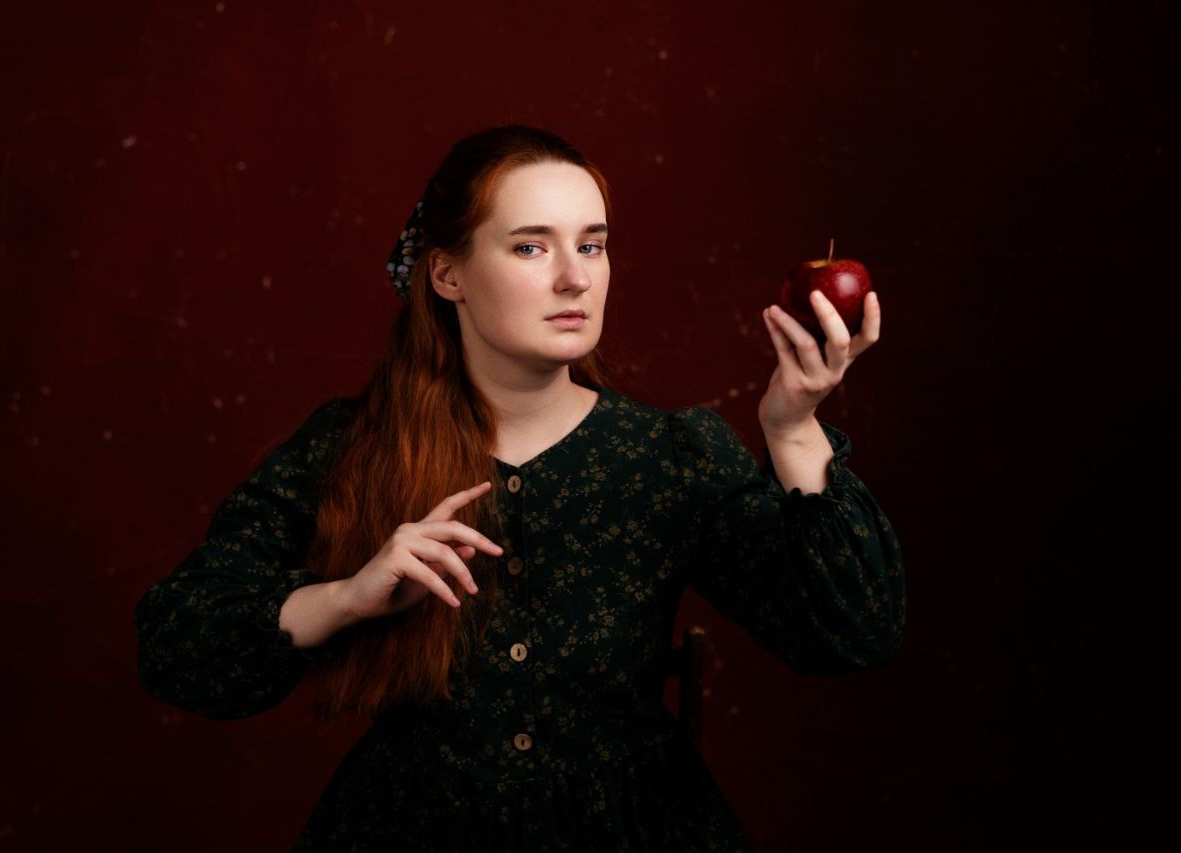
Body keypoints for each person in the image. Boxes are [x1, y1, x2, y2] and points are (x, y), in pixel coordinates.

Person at [133, 123, 905, 851]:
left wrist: (793, 428)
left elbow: (852, 634)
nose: (576, 277)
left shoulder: (670, 453)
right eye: (531, 246)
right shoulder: (352, 445)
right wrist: (345, 597)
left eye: (592, 245)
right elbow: (177, 644)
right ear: (448, 273)